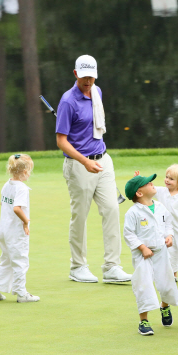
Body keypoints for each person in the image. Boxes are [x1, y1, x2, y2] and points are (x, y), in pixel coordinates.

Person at [56, 55, 131, 284]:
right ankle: (77, 266)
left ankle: (111, 267)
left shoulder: (97, 92)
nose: (88, 80)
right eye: (84, 76)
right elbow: (62, 140)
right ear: (75, 73)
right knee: (80, 216)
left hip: (102, 160)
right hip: (79, 165)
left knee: (111, 210)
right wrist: (84, 161)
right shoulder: (68, 101)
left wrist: (95, 160)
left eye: (92, 76)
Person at [123, 174, 178, 336]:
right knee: (144, 285)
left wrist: (169, 236)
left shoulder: (161, 207)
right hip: (144, 255)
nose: (152, 183)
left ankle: (165, 307)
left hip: (161, 251)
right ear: (139, 193)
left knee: (166, 281)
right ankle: (144, 321)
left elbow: (168, 224)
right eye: (148, 183)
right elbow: (128, 234)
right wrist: (142, 247)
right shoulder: (133, 212)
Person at [0, 154, 40, 303]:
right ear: (24, 172)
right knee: (20, 261)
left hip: (4, 231)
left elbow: (3, 203)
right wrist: (25, 222)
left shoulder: (7, 184)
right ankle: (21, 293)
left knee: (6, 260)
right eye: (29, 170)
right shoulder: (22, 188)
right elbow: (17, 208)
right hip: (16, 233)